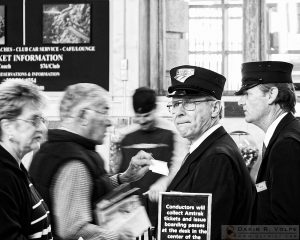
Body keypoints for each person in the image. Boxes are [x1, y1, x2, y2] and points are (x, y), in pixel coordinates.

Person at [29, 83, 152, 240]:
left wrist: (123, 178)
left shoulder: (54, 148)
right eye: (104, 112)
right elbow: (72, 229)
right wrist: (119, 235)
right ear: (84, 116)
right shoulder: (74, 162)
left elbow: (87, 190)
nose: (110, 122)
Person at [166, 65, 255, 240]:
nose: (179, 113)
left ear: (215, 109)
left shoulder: (217, 158)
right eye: (175, 104)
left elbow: (206, 232)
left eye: (190, 104)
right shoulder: (207, 148)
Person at [235, 61, 300, 225]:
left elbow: (288, 227)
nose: (240, 102)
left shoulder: (286, 146)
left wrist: (232, 235)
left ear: (271, 94)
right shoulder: (285, 135)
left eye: (247, 94)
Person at [118, 87, 188, 224]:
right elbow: (120, 174)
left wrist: (164, 182)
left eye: (147, 115)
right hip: (133, 210)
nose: (143, 121)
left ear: (155, 109)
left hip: (164, 206)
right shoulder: (126, 137)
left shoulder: (172, 133)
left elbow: (179, 166)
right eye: (138, 117)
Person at [0, 79, 52, 239]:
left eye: (42, 120)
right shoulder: (3, 177)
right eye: (34, 120)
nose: (42, 128)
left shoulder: (17, 169)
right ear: (7, 127)